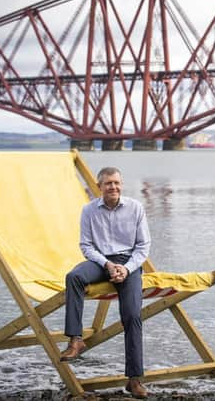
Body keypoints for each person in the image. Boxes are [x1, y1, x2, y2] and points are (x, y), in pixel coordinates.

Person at [61, 166, 151, 398]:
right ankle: (76, 340)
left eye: (117, 183)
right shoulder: (89, 210)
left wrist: (126, 268)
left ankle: (134, 380)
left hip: (128, 263)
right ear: (99, 186)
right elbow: (86, 246)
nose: (113, 187)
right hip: (100, 262)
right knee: (74, 277)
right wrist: (107, 265)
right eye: (108, 183)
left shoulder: (136, 208)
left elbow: (143, 247)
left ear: (121, 185)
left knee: (132, 316)